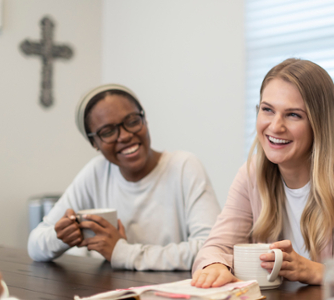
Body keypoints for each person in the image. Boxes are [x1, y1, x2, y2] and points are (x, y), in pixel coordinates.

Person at [191, 58, 334, 290]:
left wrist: (318, 272)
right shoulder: (252, 175)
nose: (275, 126)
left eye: (293, 115)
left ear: (318, 124)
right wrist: (215, 267)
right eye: (267, 110)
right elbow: (214, 248)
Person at [28, 84, 221, 270]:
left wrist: (123, 253)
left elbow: (211, 249)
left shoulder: (184, 167)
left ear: (144, 120)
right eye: (108, 132)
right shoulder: (96, 173)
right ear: (94, 143)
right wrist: (60, 237)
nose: (125, 136)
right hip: (111, 294)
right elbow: (34, 245)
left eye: (132, 121)